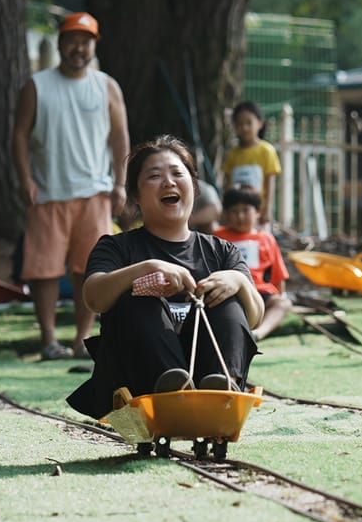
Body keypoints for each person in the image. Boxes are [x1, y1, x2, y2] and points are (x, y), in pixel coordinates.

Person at [66, 137, 262, 418]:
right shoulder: (117, 247)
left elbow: (254, 317)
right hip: (143, 386)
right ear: (136, 195)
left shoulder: (222, 251)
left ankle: (221, 390)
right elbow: (93, 297)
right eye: (155, 176)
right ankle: (171, 389)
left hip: (213, 383)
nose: (168, 182)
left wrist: (239, 282)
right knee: (138, 299)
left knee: (230, 303)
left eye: (177, 173)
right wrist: (146, 268)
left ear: (193, 187)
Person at [12, 12, 129, 361]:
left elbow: (120, 138)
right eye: (72, 40)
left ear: (94, 45)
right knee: (44, 271)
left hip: (95, 192)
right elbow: (19, 135)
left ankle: (82, 340)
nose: (79, 48)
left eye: (86, 41)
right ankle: (48, 340)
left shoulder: (107, 86)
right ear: (61, 43)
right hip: (48, 193)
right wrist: (25, 179)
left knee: (90, 269)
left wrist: (120, 183)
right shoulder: (38, 85)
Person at [214, 185, 290, 339]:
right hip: (230, 292)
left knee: (283, 304)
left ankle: (257, 334)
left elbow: (278, 275)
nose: (240, 216)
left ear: (257, 212)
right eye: (234, 211)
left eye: (245, 210)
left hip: (260, 292)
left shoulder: (266, 238)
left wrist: (281, 295)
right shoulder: (216, 237)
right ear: (227, 214)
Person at [224, 101, 283, 223]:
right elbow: (228, 184)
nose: (244, 128)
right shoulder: (232, 154)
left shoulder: (267, 151)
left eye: (248, 123)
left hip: (258, 214)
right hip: (236, 214)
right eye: (239, 124)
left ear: (260, 123)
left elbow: (270, 184)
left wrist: (267, 210)